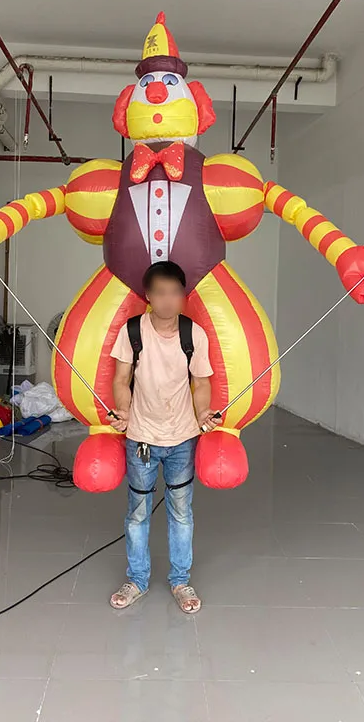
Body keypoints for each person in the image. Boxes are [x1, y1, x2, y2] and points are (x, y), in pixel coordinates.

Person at [107, 260, 219, 614]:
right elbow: (121, 379)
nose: (168, 300)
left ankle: (180, 581)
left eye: (174, 293)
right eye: (160, 293)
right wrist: (123, 411)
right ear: (148, 296)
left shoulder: (193, 334)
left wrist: (203, 413)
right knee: (137, 513)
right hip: (141, 436)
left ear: (184, 296)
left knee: (181, 513)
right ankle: (137, 580)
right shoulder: (132, 331)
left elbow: (201, 382)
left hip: (182, 438)